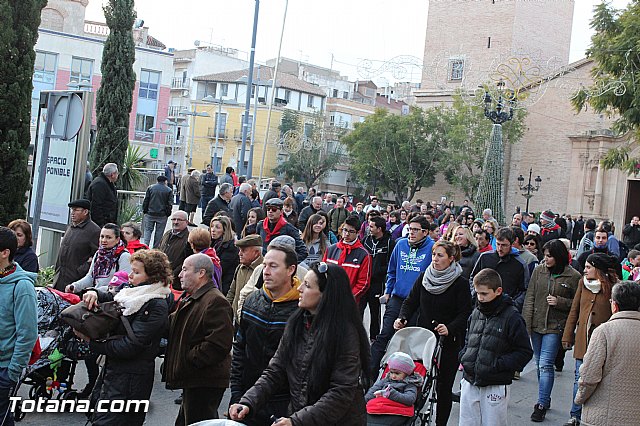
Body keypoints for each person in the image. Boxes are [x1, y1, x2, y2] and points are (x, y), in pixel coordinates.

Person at [229, 262, 371, 425]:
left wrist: (296, 421)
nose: (299, 289)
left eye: (308, 286)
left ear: (325, 295)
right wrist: (248, 402)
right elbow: (276, 370)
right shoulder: (296, 323)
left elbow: (341, 392)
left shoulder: (345, 333)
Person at [78, 249, 171, 426]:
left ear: (152, 276)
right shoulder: (133, 293)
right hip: (116, 373)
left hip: (131, 379)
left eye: (136, 272)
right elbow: (114, 297)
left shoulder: (155, 303)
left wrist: (93, 343)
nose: (130, 276)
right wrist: (94, 292)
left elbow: (130, 346)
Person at [394, 240, 472, 426]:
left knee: (444, 389)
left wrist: (450, 327)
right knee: (418, 383)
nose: (435, 259)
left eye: (440, 255)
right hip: (423, 340)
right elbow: (410, 302)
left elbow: (465, 313)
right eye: (434, 255)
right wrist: (402, 318)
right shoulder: (424, 277)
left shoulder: (460, 283)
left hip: (448, 342)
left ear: (451, 258)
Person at [230, 242, 301, 425]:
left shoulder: (302, 311)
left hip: (283, 402)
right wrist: (237, 392)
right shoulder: (253, 301)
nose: (266, 271)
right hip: (248, 396)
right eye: (265, 265)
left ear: (290, 269)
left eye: (273, 266)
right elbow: (239, 347)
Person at [164, 253, 233, 425]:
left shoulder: (215, 301)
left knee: (200, 422)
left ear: (201, 273)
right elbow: (171, 325)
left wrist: (188, 360)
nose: (180, 274)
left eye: (185, 269)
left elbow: (218, 344)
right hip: (195, 378)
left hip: (204, 380)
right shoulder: (193, 298)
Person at [458, 269, 533, 426]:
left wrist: (498, 365)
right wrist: (465, 356)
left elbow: (524, 351)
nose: (480, 298)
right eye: (478, 293)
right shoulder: (476, 312)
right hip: (470, 379)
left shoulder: (512, 317)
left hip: (495, 383)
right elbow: (468, 338)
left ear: (498, 291)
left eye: (484, 294)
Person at [522, 240, 581, 422]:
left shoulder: (573, 276)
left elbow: (577, 305)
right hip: (537, 324)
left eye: (549, 256)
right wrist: (526, 324)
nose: (545, 259)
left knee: (546, 364)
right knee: (540, 363)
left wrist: (560, 302)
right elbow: (530, 296)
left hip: (555, 327)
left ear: (559, 256)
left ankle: (540, 404)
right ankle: (545, 398)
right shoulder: (539, 271)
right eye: (544, 255)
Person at [370, 216, 434, 376]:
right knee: (384, 335)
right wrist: (388, 291)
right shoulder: (400, 244)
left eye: (415, 230)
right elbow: (391, 270)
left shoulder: (432, 248)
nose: (411, 233)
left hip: (418, 303)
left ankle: (405, 381)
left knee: (409, 341)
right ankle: (368, 375)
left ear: (425, 232)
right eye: (409, 229)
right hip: (397, 299)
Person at [561, 252, 618, 426]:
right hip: (583, 340)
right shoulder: (582, 283)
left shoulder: (614, 286)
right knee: (580, 377)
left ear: (598, 269)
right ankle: (575, 415)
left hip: (604, 341)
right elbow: (574, 310)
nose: (584, 270)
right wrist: (567, 335)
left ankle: (593, 414)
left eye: (588, 267)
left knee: (598, 381)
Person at [574, 281, 640, 425]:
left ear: (614, 305)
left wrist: (579, 398)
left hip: (603, 415)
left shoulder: (604, 332)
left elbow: (589, 375)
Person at [0, 227, 38, 425]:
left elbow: (28, 334)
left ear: (5, 253)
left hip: (4, 369)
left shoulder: (21, 287)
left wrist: (12, 373)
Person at [470, 227, 530, 312]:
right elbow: (473, 278)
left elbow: (524, 290)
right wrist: (476, 293)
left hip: (505, 309)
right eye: (498, 244)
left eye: (504, 245)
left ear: (512, 244)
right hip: (482, 306)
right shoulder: (485, 257)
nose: (500, 248)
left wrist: (513, 304)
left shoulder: (520, 264)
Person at [65, 223, 132, 294]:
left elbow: (122, 285)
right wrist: (74, 286)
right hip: (94, 295)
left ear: (117, 239)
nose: (104, 240)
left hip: (110, 299)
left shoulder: (124, 256)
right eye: (102, 236)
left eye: (108, 237)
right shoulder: (98, 254)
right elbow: (90, 278)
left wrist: (96, 291)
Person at [53, 199, 101, 291]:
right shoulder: (71, 227)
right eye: (72, 210)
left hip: (76, 282)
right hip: (60, 279)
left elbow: (97, 257)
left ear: (85, 212)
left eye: (76, 210)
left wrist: (81, 270)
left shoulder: (94, 231)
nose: (72, 213)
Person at [323, 216, 371, 304]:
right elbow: (323, 274)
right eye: (345, 230)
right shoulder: (331, 249)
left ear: (358, 233)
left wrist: (349, 297)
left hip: (348, 303)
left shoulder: (363, 255)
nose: (347, 234)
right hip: (328, 299)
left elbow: (363, 283)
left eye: (351, 231)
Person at [365, 352, 423, 424]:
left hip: (396, 409)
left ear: (407, 373)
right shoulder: (386, 380)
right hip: (378, 406)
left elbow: (410, 399)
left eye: (397, 373)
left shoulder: (410, 384)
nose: (393, 376)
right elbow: (373, 390)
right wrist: (364, 400)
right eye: (391, 372)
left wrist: (391, 393)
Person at [362, 216, 396, 340]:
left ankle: (374, 338)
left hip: (378, 283)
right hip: (363, 281)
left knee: (375, 311)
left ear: (379, 229)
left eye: (371, 226)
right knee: (358, 310)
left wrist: (379, 271)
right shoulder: (366, 240)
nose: (368, 228)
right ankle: (356, 336)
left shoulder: (390, 242)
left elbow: (392, 263)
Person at [226, 235, 263, 324]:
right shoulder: (240, 268)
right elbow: (232, 292)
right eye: (240, 250)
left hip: (252, 321)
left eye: (244, 250)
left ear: (256, 253)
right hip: (236, 319)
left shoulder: (263, 271)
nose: (239, 253)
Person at [258, 198, 308, 262]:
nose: (270, 211)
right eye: (268, 209)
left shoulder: (289, 229)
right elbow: (258, 246)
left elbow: (303, 252)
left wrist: (286, 263)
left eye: (274, 209)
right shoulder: (260, 225)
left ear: (281, 211)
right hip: (263, 264)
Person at [159, 211, 191, 291]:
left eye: (179, 220)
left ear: (186, 222)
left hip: (176, 281)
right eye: (173, 219)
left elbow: (187, 260)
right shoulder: (167, 234)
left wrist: (172, 274)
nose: (176, 222)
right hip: (161, 276)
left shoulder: (189, 238)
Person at [210, 215, 240, 295]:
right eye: (212, 226)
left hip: (224, 285)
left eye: (217, 227)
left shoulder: (231, 247)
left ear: (224, 230)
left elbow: (221, 268)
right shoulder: (214, 243)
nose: (213, 230)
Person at [142, 175, 173, 248]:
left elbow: (146, 200)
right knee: (159, 233)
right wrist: (167, 213)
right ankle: (155, 248)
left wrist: (145, 210)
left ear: (157, 180)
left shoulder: (150, 188)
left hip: (150, 213)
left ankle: (145, 247)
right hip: (162, 215)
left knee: (148, 231)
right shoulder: (168, 190)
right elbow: (170, 203)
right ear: (165, 181)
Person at [86, 163, 119, 227]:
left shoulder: (108, 183)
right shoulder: (100, 184)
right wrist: (101, 224)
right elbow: (96, 205)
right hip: (100, 224)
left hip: (106, 222)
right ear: (112, 174)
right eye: (117, 174)